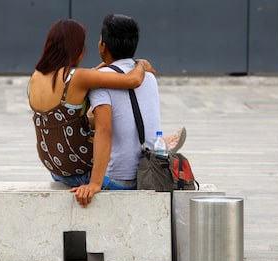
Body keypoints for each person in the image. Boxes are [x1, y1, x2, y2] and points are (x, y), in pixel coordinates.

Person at [28, 19, 156, 187]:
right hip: (78, 166)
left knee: (87, 117)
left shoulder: (36, 76)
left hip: (55, 166)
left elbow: (89, 75)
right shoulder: (78, 77)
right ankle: (150, 142)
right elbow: (132, 80)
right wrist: (139, 64)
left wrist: (103, 66)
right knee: (104, 124)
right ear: (76, 48)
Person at [70, 14, 180, 207]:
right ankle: (161, 142)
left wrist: (95, 183)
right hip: (149, 173)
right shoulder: (148, 75)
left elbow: (104, 130)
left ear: (103, 45)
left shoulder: (100, 81)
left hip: (117, 181)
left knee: (60, 173)